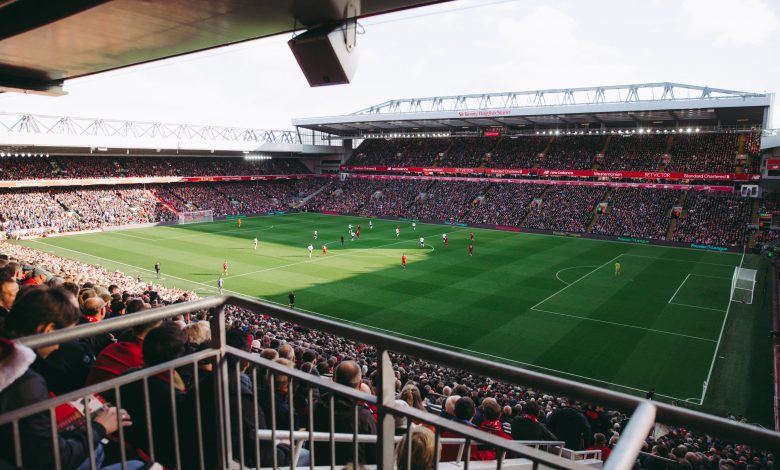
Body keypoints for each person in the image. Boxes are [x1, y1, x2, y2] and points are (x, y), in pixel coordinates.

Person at [0, 287, 142, 470]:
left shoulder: (13, 359)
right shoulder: (26, 383)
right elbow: (55, 460)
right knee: (124, 460)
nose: (58, 347)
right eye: (63, 335)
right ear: (48, 329)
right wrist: (100, 427)